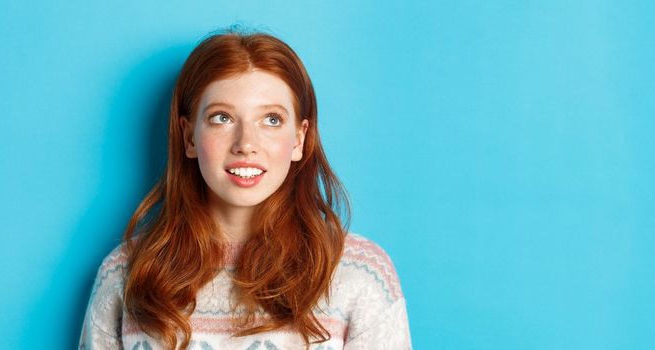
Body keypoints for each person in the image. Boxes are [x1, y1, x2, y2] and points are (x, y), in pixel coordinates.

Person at [79, 29, 412, 350]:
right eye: (222, 118)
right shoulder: (126, 273)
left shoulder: (361, 274)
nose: (246, 144)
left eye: (271, 120)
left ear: (299, 138)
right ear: (189, 137)